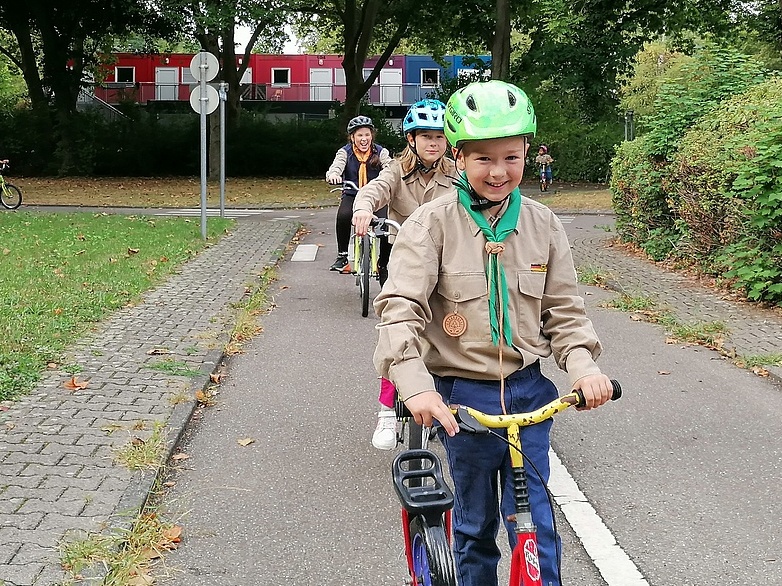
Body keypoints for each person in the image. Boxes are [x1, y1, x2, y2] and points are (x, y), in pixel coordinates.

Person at [372, 80, 614, 586]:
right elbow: (399, 310)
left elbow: (565, 311)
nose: (499, 171)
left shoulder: (543, 223)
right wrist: (415, 386)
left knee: (538, 528)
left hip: (530, 394)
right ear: (458, 157)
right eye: (483, 159)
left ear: (528, 151)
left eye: (511, 156)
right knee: (475, 527)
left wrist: (585, 366)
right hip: (465, 403)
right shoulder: (430, 224)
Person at [351, 99, 457, 450]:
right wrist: (364, 209)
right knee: (396, 330)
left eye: (439, 137)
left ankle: (451, 402)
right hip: (405, 262)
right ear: (411, 139)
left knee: (451, 329)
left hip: (447, 264)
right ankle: (385, 411)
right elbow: (374, 190)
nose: (433, 143)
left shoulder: (456, 173)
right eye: (425, 136)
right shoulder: (396, 170)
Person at [325, 116, 392, 272]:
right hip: (352, 194)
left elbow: (390, 166)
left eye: (367, 135)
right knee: (343, 215)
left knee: (385, 222)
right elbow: (337, 166)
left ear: (372, 136)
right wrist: (334, 175)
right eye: (360, 135)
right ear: (352, 137)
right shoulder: (345, 152)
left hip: (376, 196)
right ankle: (342, 257)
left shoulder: (380, 152)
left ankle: (383, 262)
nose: (364, 139)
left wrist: (392, 176)